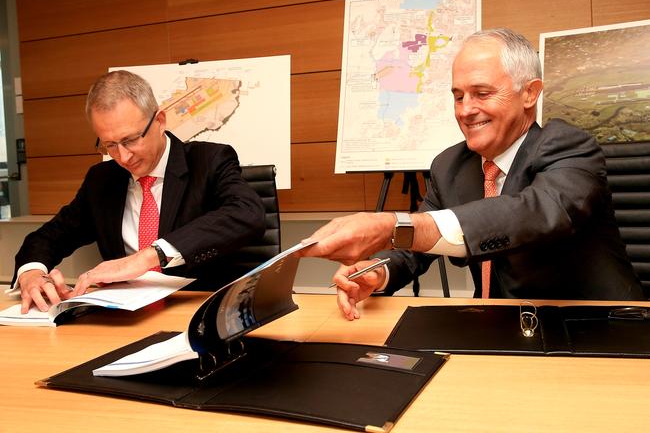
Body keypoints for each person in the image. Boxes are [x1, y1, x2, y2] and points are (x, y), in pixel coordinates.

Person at [301, 27, 644, 319]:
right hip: (498, 329)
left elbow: (536, 212)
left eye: (482, 93)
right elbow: (418, 246)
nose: (466, 110)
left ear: (529, 93)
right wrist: (377, 271)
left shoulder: (570, 146)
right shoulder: (450, 166)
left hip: (593, 326)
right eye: (458, 96)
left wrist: (393, 225)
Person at [11, 70, 266, 313]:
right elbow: (48, 237)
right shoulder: (102, 180)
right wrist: (32, 272)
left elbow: (247, 213)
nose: (123, 156)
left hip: (200, 314)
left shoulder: (209, 161)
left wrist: (148, 257)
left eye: (131, 140)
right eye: (110, 145)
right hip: (126, 321)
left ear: (160, 121)